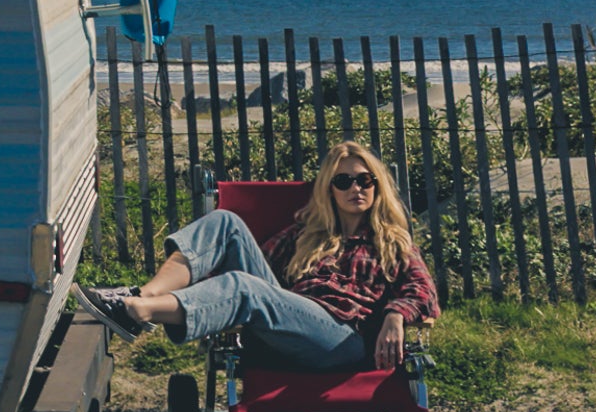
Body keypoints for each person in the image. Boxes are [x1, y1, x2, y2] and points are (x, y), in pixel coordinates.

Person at [77, 140, 437, 370]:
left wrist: (394, 316)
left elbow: (424, 292)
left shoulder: (393, 242)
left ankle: (139, 313)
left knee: (244, 287)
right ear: (329, 190)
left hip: (343, 339)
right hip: (290, 323)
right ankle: (142, 296)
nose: (355, 188)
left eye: (364, 180)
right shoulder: (306, 234)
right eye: (343, 181)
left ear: (377, 186)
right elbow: (243, 264)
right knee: (225, 222)